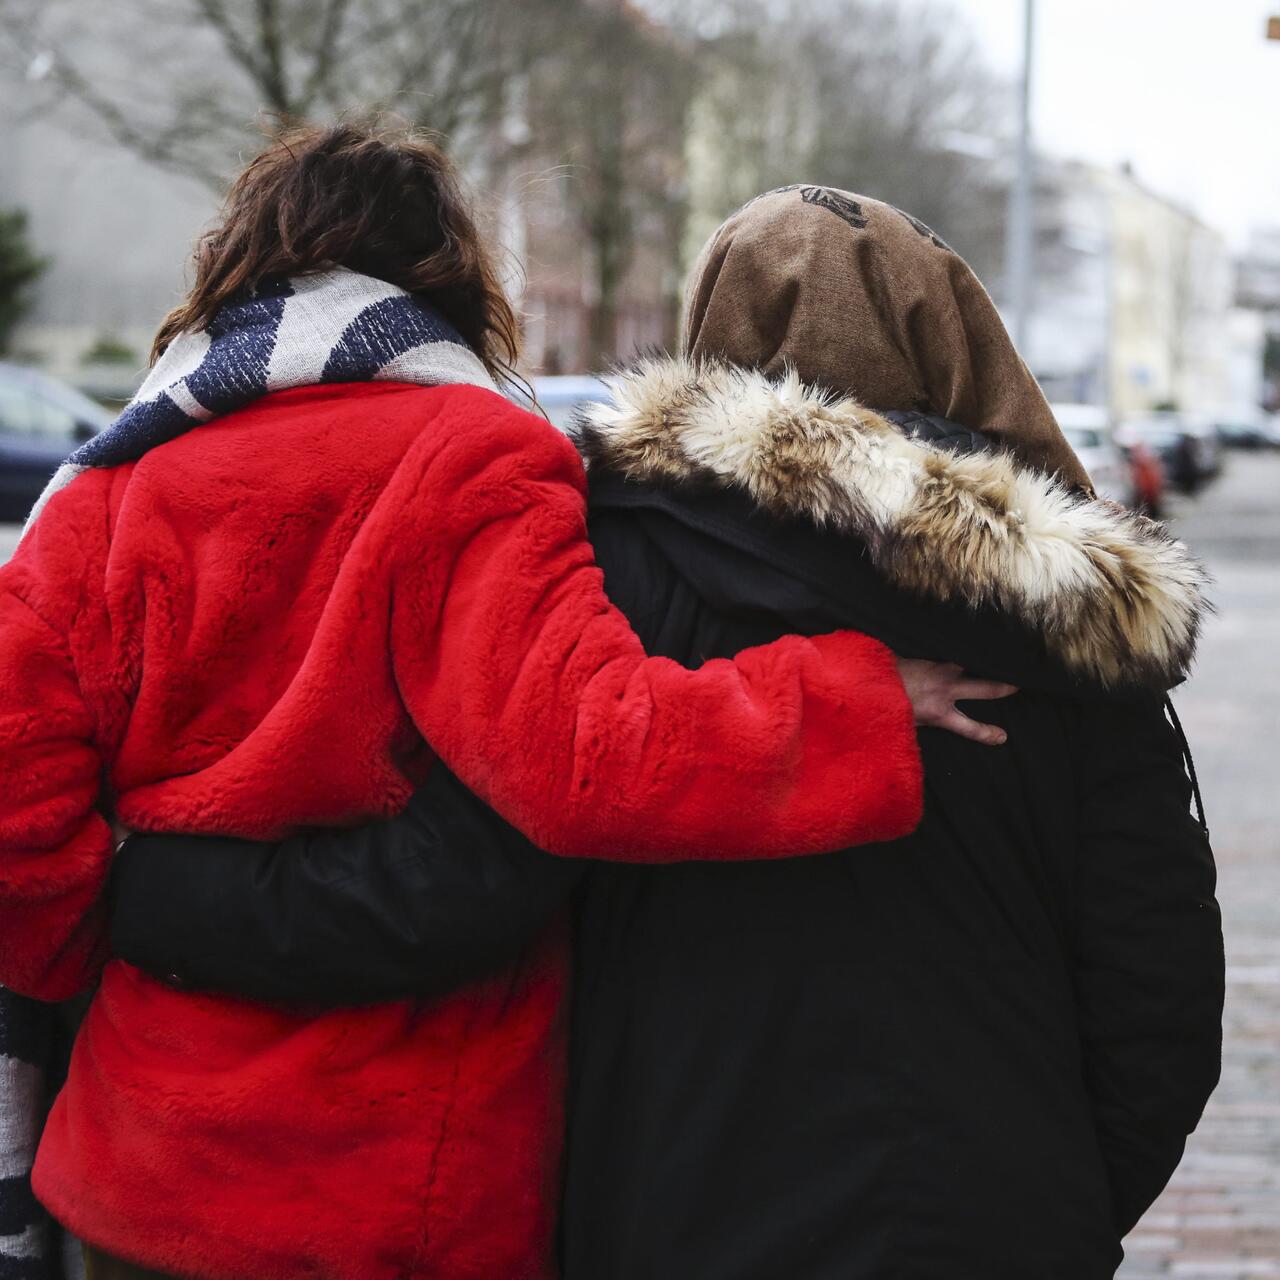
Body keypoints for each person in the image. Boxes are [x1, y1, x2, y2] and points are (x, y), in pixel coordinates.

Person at [113, 187, 1223, 1279]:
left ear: (707, 330)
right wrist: (1052, 1198)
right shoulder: (1070, 623)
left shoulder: (586, 572)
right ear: (953, 341)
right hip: (992, 1213)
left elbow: (449, 887)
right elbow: (1156, 989)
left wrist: (150, 888)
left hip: (658, 1207)